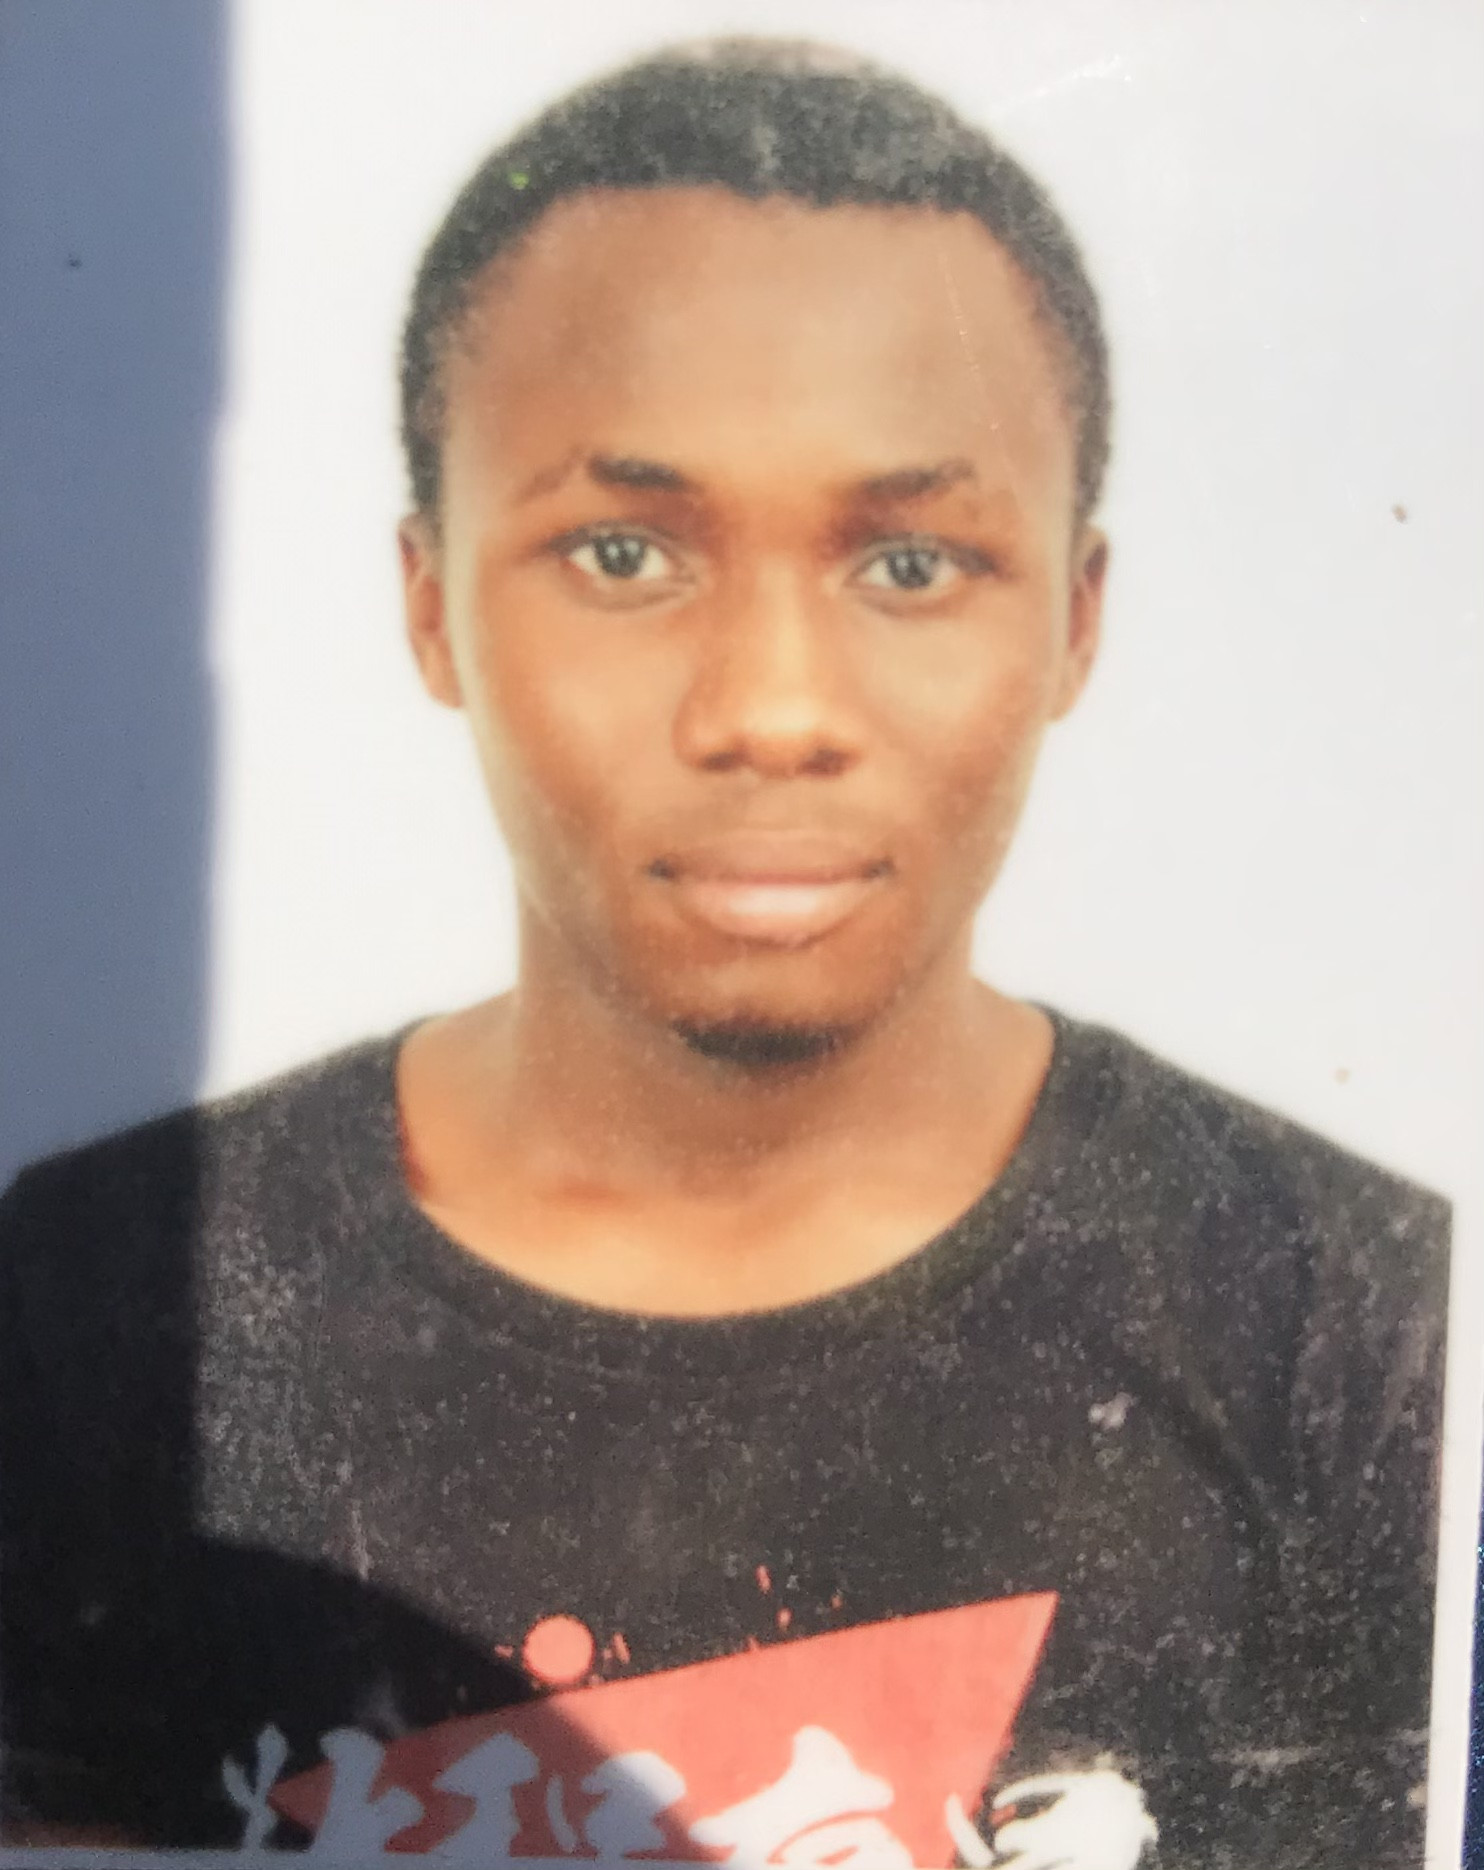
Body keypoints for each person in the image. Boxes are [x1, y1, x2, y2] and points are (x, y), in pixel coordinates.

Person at [0, 37, 1448, 1867]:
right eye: (624, 552)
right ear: (429, 603)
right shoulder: (94, 1307)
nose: (772, 709)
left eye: (910, 563)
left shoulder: (1371, 1346)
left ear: (1077, 621)